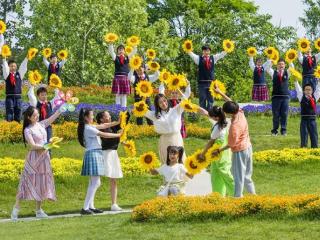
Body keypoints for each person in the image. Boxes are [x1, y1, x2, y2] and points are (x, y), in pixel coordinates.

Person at [11, 105, 64, 220]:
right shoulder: (28, 130)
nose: (37, 116)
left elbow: (51, 119)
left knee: (42, 182)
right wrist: (47, 146)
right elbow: (33, 146)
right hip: (34, 159)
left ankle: (39, 210)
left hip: (44, 158)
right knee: (26, 183)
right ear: (29, 117)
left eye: (37, 114)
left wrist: (60, 110)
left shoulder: (41, 124)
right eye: (35, 115)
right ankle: (16, 209)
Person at [144, 81, 207, 164]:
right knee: (167, 163)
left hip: (176, 139)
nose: (163, 103)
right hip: (164, 141)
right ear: (157, 105)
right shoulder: (154, 115)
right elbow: (141, 110)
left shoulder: (175, 110)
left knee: (179, 162)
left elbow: (185, 99)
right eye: (160, 102)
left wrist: (188, 85)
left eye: (164, 101)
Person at [211, 86, 256, 198]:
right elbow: (230, 101)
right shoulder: (240, 112)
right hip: (248, 148)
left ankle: (237, 198)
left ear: (229, 114)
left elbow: (231, 144)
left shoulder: (234, 126)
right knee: (247, 176)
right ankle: (254, 196)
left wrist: (219, 150)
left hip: (240, 152)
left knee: (238, 176)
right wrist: (220, 92)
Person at [77, 108, 122, 215]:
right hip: (93, 154)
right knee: (96, 182)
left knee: (94, 182)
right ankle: (85, 207)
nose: (93, 117)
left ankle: (90, 206)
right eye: (91, 115)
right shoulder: (88, 128)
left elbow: (103, 126)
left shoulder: (88, 126)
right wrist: (118, 135)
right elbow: (103, 134)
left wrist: (117, 122)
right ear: (86, 118)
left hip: (94, 153)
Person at [96, 111, 129, 211]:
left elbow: (124, 121)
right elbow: (108, 137)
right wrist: (119, 136)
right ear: (101, 119)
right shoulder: (100, 127)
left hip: (113, 154)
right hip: (105, 154)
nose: (109, 116)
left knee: (113, 179)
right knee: (96, 181)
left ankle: (114, 204)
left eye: (109, 115)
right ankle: (90, 203)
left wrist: (126, 113)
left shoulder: (113, 127)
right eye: (107, 115)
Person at [200, 106, 234, 196]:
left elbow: (210, 143)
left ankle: (236, 194)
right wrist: (196, 108)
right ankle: (218, 195)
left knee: (224, 174)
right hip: (223, 154)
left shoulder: (217, 128)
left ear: (216, 117)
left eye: (211, 116)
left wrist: (202, 154)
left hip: (219, 155)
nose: (210, 117)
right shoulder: (225, 121)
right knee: (216, 174)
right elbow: (206, 113)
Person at [187, 44, 227, 110]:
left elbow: (221, 55)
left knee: (210, 99)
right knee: (202, 99)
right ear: (202, 51)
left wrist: (227, 49)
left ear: (210, 51)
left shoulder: (213, 58)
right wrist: (188, 49)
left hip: (211, 83)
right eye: (205, 50)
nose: (206, 52)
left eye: (208, 50)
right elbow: (191, 54)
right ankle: (203, 114)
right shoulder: (198, 58)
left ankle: (210, 113)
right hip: (202, 83)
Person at [1, 34, 29, 122]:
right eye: (11, 66)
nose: (13, 67)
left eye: (14, 66)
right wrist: (4, 58)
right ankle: (9, 126)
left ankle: (17, 126)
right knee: (9, 111)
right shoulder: (7, 75)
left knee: (19, 111)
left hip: (18, 97)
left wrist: (27, 58)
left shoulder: (19, 74)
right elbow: (4, 66)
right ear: (9, 67)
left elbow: (23, 67)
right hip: (9, 96)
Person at [266, 59, 294, 136]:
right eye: (279, 64)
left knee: (284, 114)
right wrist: (271, 61)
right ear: (277, 65)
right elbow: (267, 68)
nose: (281, 65)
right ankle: (274, 131)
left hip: (285, 97)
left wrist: (290, 60)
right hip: (276, 97)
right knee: (276, 114)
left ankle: (283, 131)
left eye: (282, 64)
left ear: (284, 65)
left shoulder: (287, 72)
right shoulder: (273, 73)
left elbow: (292, 67)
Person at [295, 80, 320, 148]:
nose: (308, 91)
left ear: (312, 91)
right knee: (304, 135)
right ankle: (303, 149)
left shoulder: (315, 97)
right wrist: (296, 81)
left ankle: (314, 149)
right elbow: (298, 89)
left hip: (312, 120)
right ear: (304, 91)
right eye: (306, 90)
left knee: (314, 135)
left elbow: (318, 89)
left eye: (309, 89)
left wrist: (319, 81)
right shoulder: (301, 97)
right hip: (304, 120)